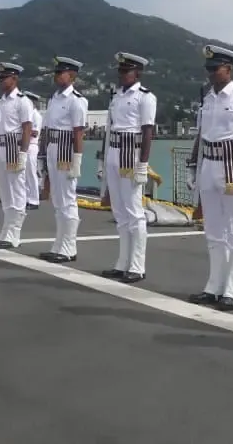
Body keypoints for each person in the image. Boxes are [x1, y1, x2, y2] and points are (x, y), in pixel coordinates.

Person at [186, 45, 233, 311]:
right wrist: (192, 166)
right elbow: (200, 136)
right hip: (209, 164)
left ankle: (232, 289)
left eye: (215, 68)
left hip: (232, 167)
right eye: (209, 69)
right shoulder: (206, 100)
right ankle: (214, 286)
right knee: (214, 231)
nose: (211, 74)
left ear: (229, 69)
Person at [100, 52, 157, 283]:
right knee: (119, 212)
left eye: (127, 71)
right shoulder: (117, 96)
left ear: (138, 73)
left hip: (130, 154)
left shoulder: (145, 97)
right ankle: (122, 262)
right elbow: (109, 130)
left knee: (134, 212)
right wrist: (103, 162)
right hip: (114, 152)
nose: (123, 75)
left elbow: (148, 132)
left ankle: (137, 265)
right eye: (121, 71)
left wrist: (143, 164)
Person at [39, 56, 88, 264]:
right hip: (53, 147)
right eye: (56, 73)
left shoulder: (76, 100)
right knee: (58, 200)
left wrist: (77, 160)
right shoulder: (54, 98)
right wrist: (43, 156)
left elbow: (78, 133)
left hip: (66, 150)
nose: (57, 76)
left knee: (67, 199)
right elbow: (47, 128)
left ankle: (69, 247)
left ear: (72, 75)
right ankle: (59, 244)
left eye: (61, 73)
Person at [0, 62, 34, 249]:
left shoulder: (22, 101)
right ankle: (6, 228)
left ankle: (14, 232)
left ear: (14, 78)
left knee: (16, 190)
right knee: (5, 191)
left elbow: (27, 128)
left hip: (13, 148)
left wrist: (23, 153)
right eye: (0, 78)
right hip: (0, 147)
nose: (1, 81)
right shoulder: (1, 101)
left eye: (4, 77)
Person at [23, 91, 42, 210]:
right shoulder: (28, 115)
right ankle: (26, 199)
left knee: (31, 173)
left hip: (31, 145)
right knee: (24, 175)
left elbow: (35, 132)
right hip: (24, 145)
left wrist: (22, 132)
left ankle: (34, 200)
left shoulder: (36, 115)